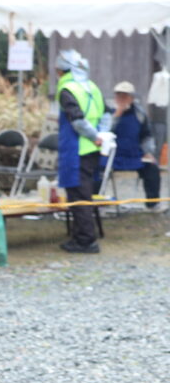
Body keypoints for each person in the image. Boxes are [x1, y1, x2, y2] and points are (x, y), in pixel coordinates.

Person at [55, 49, 105, 253]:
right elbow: (106, 113)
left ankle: (85, 239)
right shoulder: (91, 87)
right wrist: (102, 136)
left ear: (61, 70)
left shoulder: (67, 89)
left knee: (79, 196)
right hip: (93, 149)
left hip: (77, 150)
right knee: (84, 194)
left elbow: (77, 120)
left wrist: (95, 136)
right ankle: (81, 235)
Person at [104, 80, 162, 210]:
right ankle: (96, 205)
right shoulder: (108, 111)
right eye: (119, 96)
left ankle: (153, 203)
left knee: (152, 168)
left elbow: (146, 135)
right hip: (112, 156)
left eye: (125, 96)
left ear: (132, 98)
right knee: (96, 171)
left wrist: (148, 152)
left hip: (134, 155)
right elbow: (104, 131)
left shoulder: (140, 114)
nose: (122, 99)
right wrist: (117, 115)